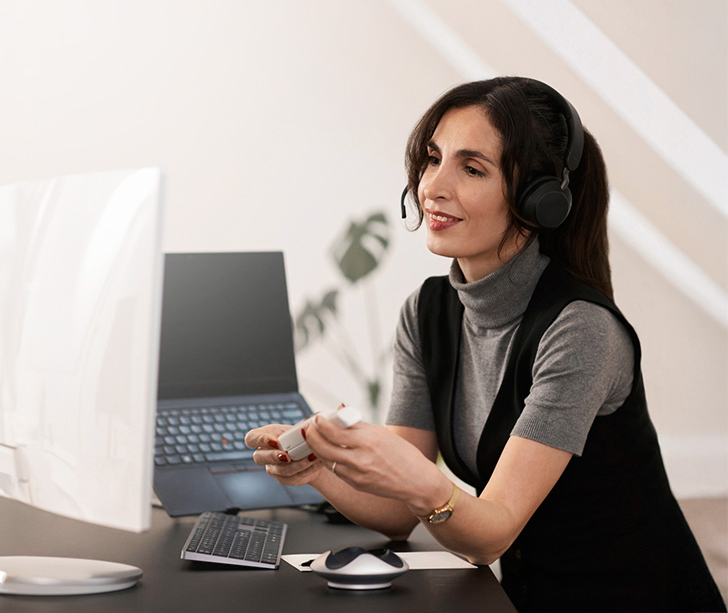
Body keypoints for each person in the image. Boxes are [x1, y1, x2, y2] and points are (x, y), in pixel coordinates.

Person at [245, 77, 725, 613]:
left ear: (539, 200)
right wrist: (316, 468)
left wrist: (420, 482)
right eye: (432, 158)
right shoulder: (426, 314)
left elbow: (491, 532)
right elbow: (398, 510)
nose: (432, 186)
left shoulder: (581, 330)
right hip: (523, 597)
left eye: (471, 168)